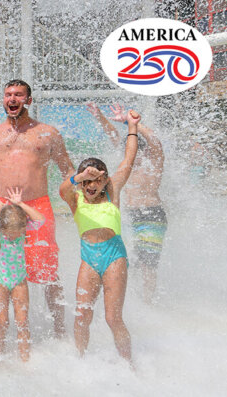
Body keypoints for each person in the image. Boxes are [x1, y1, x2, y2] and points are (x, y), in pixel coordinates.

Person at [0, 80, 76, 339]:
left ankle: (59, 329)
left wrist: (73, 194)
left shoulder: (47, 133)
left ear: (28, 99)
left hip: (37, 207)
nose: (12, 98)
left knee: (48, 271)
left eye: (18, 95)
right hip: (1, 208)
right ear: (3, 99)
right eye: (8, 94)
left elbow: (67, 169)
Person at [59, 109, 142, 365]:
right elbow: (63, 189)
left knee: (112, 318)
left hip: (114, 256)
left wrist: (133, 127)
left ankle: (129, 365)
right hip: (89, 257)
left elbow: (128, 160)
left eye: (96, 180)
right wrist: (77, 177)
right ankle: (80, 361)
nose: (91, 185)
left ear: (105, 180)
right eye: (86, 181)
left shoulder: (113, 192)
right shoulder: (76, 199)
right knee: (82, 314)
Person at [87, 103, 166, 304]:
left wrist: (131, 123)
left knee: (148, 262)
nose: (132, 153)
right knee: (129, 259)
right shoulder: (127, 164)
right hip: (127, 215)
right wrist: (100, 117)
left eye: (136, 150)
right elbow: (113, 135)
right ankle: (133, 298)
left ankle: (147, 301)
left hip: (150, 215)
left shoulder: (153, 162)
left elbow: (155, 141)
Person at [0, 187, 45, 362]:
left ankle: (25, 359)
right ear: (1, 228)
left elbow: (40, 219)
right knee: (2, 321)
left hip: (19, 281)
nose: (13, 238)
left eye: (17, 234)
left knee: (22, 321)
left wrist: (20, 204)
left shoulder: (22, 230)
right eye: (9, 235)